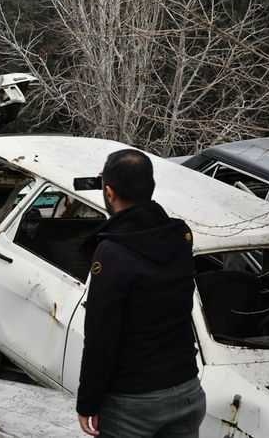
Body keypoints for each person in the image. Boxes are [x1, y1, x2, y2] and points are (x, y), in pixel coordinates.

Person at [77, 149, 206, 437]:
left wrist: (88, 400)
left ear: (108, 193)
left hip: (132, 404)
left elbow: (100, 337)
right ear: (153, 187)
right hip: (187, 390)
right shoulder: (180, 236)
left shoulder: (112, 253)